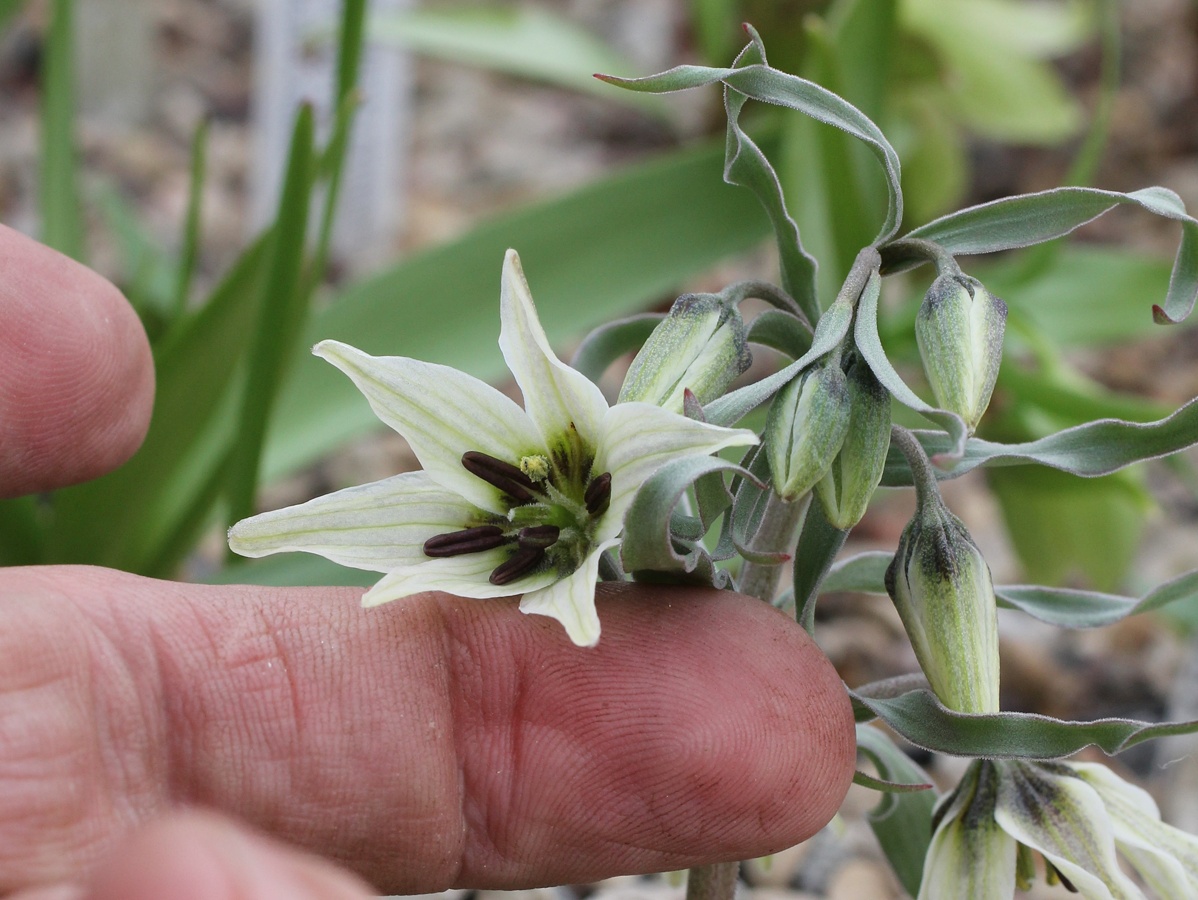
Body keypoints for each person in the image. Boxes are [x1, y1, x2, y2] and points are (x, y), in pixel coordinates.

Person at [0, 224, 855, 900]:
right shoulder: (569, 520)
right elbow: (551, 590)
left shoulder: (587, 485)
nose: (553, 510)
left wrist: (684, 447)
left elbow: (585, 465)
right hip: (558, 539)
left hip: (574, 521)